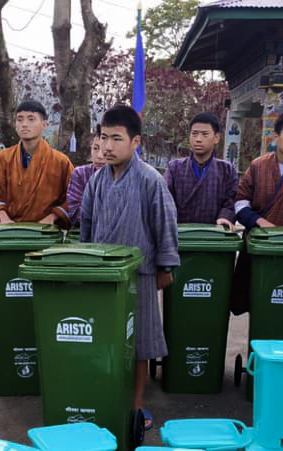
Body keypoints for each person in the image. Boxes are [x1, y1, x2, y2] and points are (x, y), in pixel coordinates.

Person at [80, 104, 179, 430]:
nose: (108, 146)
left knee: (140, 344)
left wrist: (165, 266)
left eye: (117, 139)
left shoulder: (150, 179)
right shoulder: (96, 182)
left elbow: (165, 224)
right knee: (105, 339)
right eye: (104, 138)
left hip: (142, 274)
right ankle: (106, 396)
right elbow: (87, 224)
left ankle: (137, 404)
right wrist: (86, 262)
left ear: (136, 142)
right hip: (103, 275)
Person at [0, 99, 74, 380]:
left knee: (43, 303)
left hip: (44, 240)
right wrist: (5, 221)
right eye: (20, 119)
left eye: (31, 119)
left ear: (44, 124)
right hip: (8, 239)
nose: (24, 124)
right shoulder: (4, 159)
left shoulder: (61, 162)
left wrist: (50, 220)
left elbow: (70, 200)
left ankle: (48, 360)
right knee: (8, 302)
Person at [230, 111, 283, 314]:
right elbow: (240, 203)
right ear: (276, 136)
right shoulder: (258, 166)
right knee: (257, 298)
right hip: (260, 243)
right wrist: (260, 221)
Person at [163, 112, 237, 227]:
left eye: (204, 134)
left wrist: (225, 217)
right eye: (194, 134)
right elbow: (165, 200)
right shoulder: (174, 168)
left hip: (214, 233)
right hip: (181, 233)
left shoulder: (226, 170)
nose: (198, 139)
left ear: (216, 138)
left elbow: (231, 200)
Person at [65, 124, 106, 226]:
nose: (99, 156)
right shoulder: (80, 174)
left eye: (105, 150)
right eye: (95, 148)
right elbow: (74, 212)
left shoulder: (123, 176)